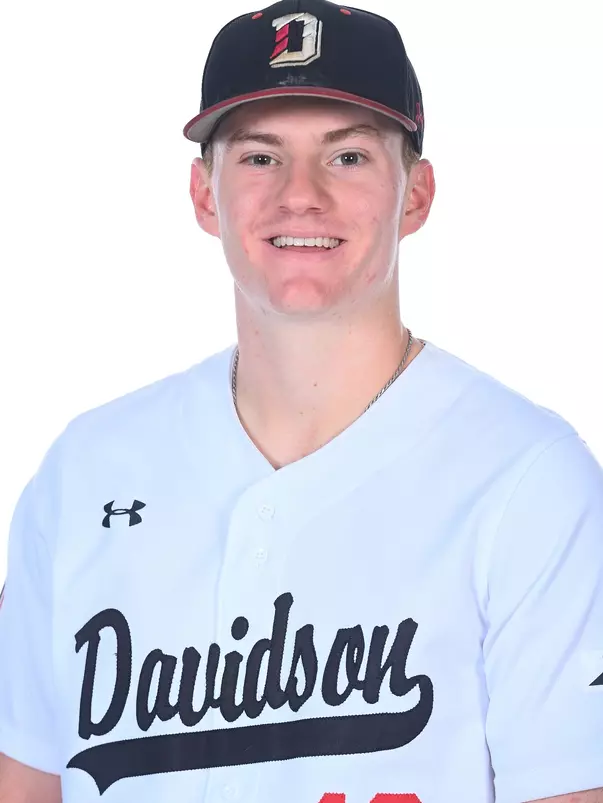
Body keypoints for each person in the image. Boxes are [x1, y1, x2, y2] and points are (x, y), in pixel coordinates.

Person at [1, 0, 602, 801]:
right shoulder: (84, 470)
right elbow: (27, 782)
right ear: (205, 194)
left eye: (347, 156)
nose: (301, 194)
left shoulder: (528, 480)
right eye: (258, 158)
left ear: (415, 194)